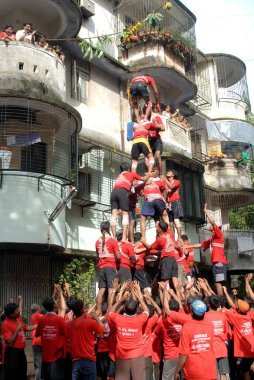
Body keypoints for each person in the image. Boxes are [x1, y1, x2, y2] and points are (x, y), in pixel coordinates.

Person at [108, 282, 149, 380]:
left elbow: (110, 312)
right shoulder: (139, 319)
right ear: (136, 310)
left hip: (122, 357)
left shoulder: (118, 319)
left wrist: (121, 300)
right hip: (138, 355)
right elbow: (146, 310)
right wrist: (139, 297)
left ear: (124, 308)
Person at [187, 204, 227, 296]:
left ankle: (221, 302)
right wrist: (188, 247)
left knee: (218, 283)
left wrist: (206, 211)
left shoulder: (219, 235)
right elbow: (200, 245)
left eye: (212, 225)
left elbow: (212, 222)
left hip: (219, 264)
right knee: (219, 283)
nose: (210, 225)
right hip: (217, 264)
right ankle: (222, 301)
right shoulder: (212, 238)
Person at [174, 299, 217, 380]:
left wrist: (177, 370)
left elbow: (184, 354)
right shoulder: (210, 325)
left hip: (194, 371)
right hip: (210, 369)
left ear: (192, 312)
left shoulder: (187, 327)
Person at [110, 161, 150, 241]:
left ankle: (114, 237)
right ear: (129, 169)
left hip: (113, 192)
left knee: (114, 215)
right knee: (125, 215)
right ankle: (124, 238)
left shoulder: (119, 176)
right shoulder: (131, 173)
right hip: (122, 192)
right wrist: (149, 173)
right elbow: (144, 179)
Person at [67, 299, 105, 380]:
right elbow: (103, 330)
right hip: (89, 361)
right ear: (83, 310)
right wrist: (96, 318)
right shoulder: (90, 322)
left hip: (75, 362)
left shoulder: (69, 324)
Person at [1, 302, 37, 380]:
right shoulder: (5, 324)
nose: (19, 311)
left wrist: (39, 325)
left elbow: (26, 327)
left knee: (22, 373)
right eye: (17, 310)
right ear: (11, 314)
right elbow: (9, 342)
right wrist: (17, 329)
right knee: (13, 375)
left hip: (21, 352)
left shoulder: (17, 319)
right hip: (12, 353)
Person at [35, 297, 66, 380]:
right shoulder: (60, 319)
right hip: (57, 356)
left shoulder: (41, 319)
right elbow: (67, 334)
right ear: (54, 306)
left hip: (45, 357)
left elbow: (37, 334)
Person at [223, 299, 254, 380]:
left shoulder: (236, 317)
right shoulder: (249, 315)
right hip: (252, 347)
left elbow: (224, 311)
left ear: (239, 309)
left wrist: (222, 308)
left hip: (244, 351)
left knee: (245, 370)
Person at [95, 221, 120, 313]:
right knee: (111, 289)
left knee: (101, 290)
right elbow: (118, 256)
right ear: (108, 229)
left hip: (101, 268)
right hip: (110, 267)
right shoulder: (113, 241)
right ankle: (109, 310)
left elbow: (98, 255)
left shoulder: (97, 241)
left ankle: (98, 310)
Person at [205, 295, 230, 380]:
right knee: (223, 374)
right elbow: (227, 333)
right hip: (222, 348)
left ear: (208, 305)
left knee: (213, 375)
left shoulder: (205, 316)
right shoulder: (223, 316)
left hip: (210, 349)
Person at [164, 169, 184, 241]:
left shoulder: (176, 181)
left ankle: (179, 237)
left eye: (169, 172)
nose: (167, 172)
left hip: (175, 202)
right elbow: (166, 193)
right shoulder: (166, 184)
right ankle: (172, 239)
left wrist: (165, 180)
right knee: (170, 223)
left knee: (176, 220)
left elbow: (172, 186)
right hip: (169, 204)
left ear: (173, 175)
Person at [149, 105, 165, 174]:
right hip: (150, 140)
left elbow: (163, 128)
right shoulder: (146, 119)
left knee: (158, 155)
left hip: (157, 139)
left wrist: (155, 122)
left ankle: (161, 173)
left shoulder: (156, 117)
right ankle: (151, 172)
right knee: (150, 158)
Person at [31, 303, 43, 380]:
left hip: (35, 342)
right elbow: (48, 317)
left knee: (37, 364)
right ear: (38, 309)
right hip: (38, 341)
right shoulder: (37, 315)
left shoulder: (33, 316)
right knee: (39, 365)